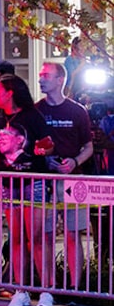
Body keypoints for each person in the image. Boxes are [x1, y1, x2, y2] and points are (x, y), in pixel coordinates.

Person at [0, 74, 53, 306]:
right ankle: (20, 290)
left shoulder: (32, 116)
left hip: (32, 182)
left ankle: (47, 290)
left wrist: (41, 150)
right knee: (15, 238)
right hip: (7, 185)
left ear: (10, 92)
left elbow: (48, 145)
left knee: (36, 237)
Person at [36, 62, 94, 293]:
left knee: (73, 235)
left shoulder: (77, 111)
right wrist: (45, 160)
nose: (41, 79)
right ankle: (49, 287)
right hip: (46, 182)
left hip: (73, 181)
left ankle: (75, 287)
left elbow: (88, 146)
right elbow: (32, 145)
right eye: (40, 75)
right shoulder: (36, 110)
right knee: (46, 235)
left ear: (60, 79)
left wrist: (75, 162)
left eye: (46, 75)